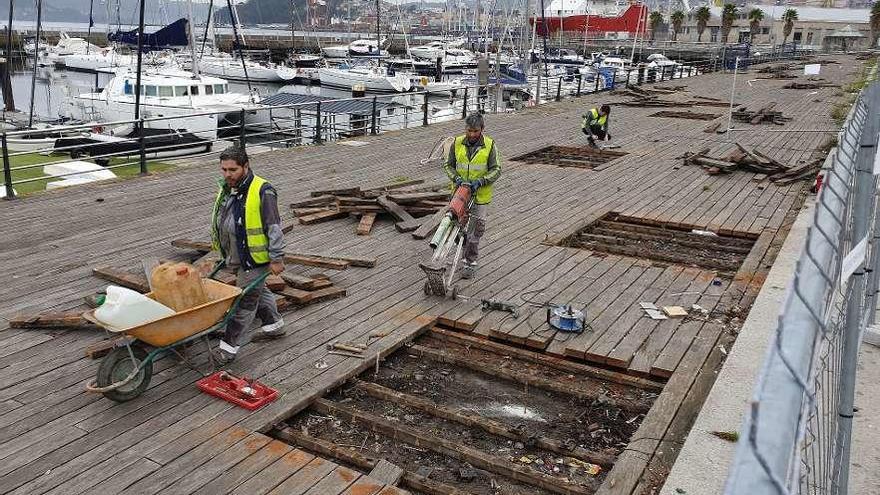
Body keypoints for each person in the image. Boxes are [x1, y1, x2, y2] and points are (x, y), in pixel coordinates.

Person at [211, 146, 286, 365]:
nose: (227, 174)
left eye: (232, 170)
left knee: (243, 304)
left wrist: (277, 258)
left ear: (246, 166)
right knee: (258, 292)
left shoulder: (263, 191)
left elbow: (274, 227)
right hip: (236, 255)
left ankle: (227, 350)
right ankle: (275, 326)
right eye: (223, 169)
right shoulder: (228, 187)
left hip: (255, 259)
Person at [443, 112, 501, 279]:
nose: (472, 134)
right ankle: (461, 252)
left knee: (475, 232)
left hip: (479, 196)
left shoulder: (490, 145)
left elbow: (496, 169)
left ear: (482, 129)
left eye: (476, 131)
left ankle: (470, 262)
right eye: (469, 130)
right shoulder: (457, 143)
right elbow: (448, 165)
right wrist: (457, 178)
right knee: (456, 227)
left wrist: (481, 181)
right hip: (460, 194)